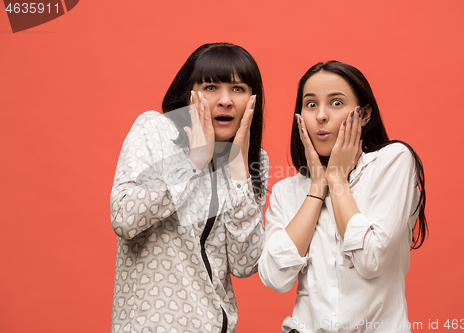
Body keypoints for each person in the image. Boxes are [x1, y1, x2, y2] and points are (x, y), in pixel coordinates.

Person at [109, 43, 269, 333]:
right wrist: (195, 161)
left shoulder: (253, 160)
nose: (225, 100)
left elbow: (246, 263)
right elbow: (125, 217)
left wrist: (238, 172)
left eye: (237, 89)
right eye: (210, 87)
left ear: (253, 100)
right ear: (189, 95)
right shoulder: (155, 130)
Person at [258, 61, 428, 333]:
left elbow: (371, 260)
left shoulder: (393, 162)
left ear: (364, 114)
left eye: (336, 103)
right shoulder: (287, 191)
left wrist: (337, 179)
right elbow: (275, 279)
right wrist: (316, 189)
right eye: (311, 104)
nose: (321, 116)